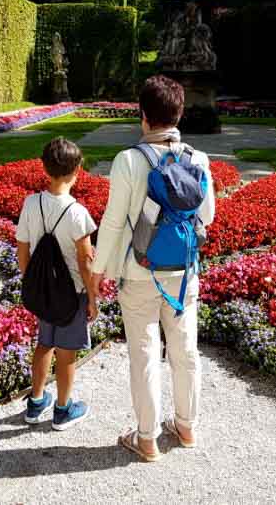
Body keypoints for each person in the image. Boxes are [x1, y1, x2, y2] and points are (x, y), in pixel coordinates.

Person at [91, 75, 216, 461]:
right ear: (179, 114)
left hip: (140, 271)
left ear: (143, 116)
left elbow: (113, 223)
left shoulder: (129, 161)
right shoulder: (198, 159)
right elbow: (207, 216)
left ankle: (146, 439)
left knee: (144, 355)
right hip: (183, 274)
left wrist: (99, 272)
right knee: (185, 352)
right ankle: (186, 426)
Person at [17, 137, 99, 430]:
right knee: (67, 353)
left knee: (44, 343)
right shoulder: (78, 213)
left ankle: (36, 402)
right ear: (78, 169)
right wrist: (92, 297)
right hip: (71, 294)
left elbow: (22, 249)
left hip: (42, 290)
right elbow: (85, 261)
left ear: (44, 168)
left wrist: (32, 283)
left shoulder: (31, 203)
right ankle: (63, 410)